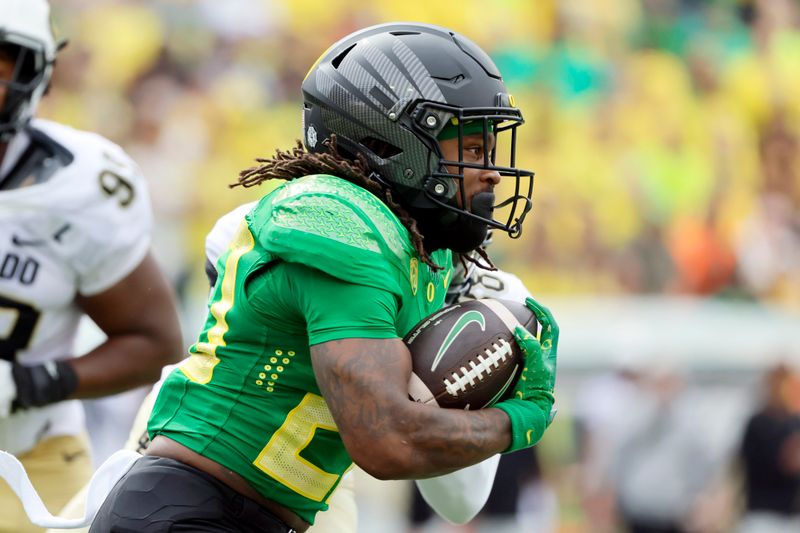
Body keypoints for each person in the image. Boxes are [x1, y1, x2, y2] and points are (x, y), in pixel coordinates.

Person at [90, 22, 558, 533]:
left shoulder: (423, 251)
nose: (491, 173)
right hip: (189, 509)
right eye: (469, 150)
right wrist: (519, 421)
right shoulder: (337, 221)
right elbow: (387, 440)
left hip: (246, 515)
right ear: (393, 142)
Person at [0, 1, 184, 531]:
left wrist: (29, 384)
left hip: (25, 460)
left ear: (33, 71)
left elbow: (153, 343)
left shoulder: (82, 191)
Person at [737, 362, 800, 533]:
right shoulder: (759, 424)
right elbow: (785, 463)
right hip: (763, 517)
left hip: (789, 517)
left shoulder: (793, 423)